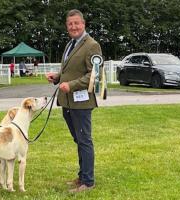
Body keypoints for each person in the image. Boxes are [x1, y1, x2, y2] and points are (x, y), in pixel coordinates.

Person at [46, 9, 102, 193]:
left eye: (76, 23)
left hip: (82, 103)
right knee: (78, 140)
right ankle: (82, 176)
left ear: (83, 24)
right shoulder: (71, 44)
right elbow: (69, 70)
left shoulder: (92, 45)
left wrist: (71, 85)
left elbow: (95, 74)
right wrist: (57, 77)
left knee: (84, 140)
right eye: (70, 24)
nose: (73, 27)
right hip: (68, 102)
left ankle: (88, 182)